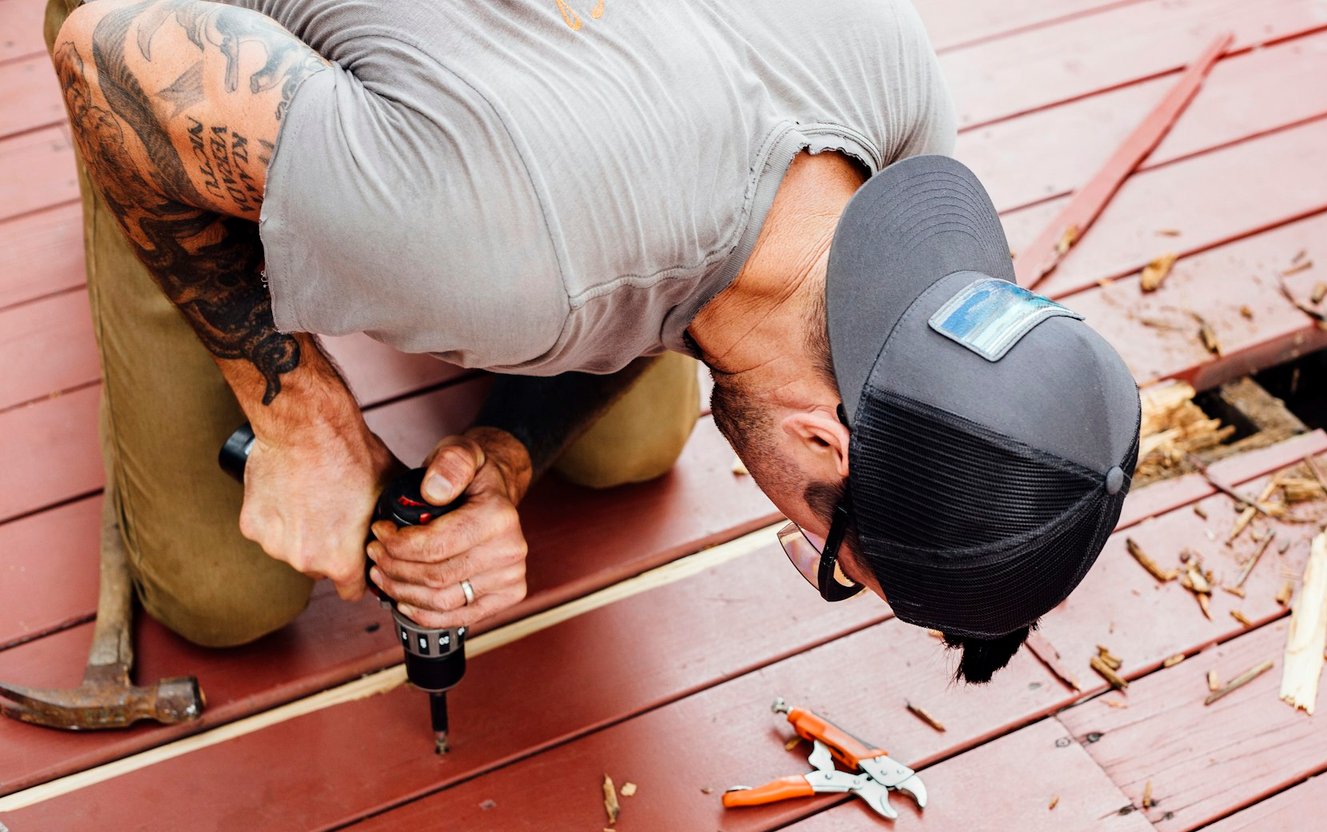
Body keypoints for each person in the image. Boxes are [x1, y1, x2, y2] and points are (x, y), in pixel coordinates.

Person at [46, 0, 1140, 683]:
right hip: (157, 48)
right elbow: (106, 53)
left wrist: (512, 454)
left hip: (550, 140)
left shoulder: (901, 144)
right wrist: (302, 417)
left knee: (621, 443)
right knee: (230, 594)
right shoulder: (506, 257)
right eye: (832, 562)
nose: (814, 556)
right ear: (825, 446)